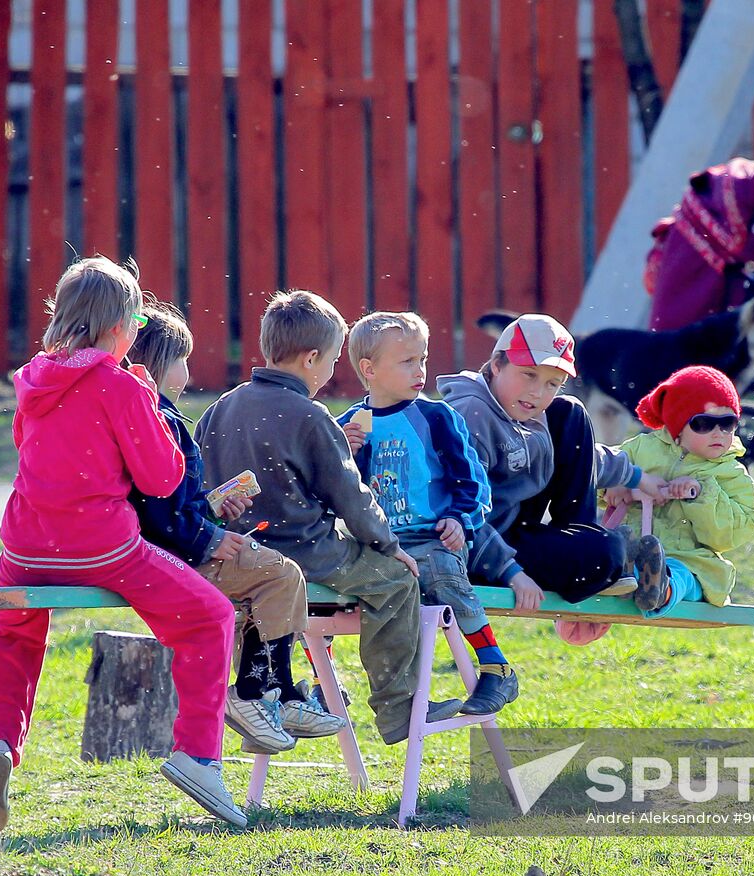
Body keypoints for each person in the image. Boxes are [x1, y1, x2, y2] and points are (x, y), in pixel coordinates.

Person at [0, 257, 247, 832]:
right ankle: (198, 755)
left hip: (25, 545)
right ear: (123, 327)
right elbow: (161, 480)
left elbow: (31, 448)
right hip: (101, 548)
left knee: (12, 633)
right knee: (209, 618)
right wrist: (146, 403)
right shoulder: (122, 386)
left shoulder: (32, 379)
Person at [195, 290, 463, 747]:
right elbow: (350, 497)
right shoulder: (310, 414)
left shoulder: (222, 406)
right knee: (397, 584)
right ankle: (398, 708)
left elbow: (201, 476)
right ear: (312, 358)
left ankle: (269, 702)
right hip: (306, 549)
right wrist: (389, 545)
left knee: (258, 606)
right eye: (333, 360)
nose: (331, 372)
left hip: (240, 552)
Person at [127, 303, 345, 755]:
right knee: (281, 574)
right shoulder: (159, 421)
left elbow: (170, 505)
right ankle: (260, 693)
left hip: (175, 546)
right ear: (162, 366)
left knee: (267, 578)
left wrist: (213, 509)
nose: (189, 370)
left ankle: (271, 692)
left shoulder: (155, 417)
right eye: (184, 360)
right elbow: (159, 514)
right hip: (176, 555)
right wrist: (209, 536)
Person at [338, 311, 515, 715]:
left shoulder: (436, 417)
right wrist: (344, 455)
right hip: (378, 543)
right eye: (406, 361)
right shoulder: (349, 425)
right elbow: (336, 493)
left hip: (434, 536)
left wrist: (461, 520)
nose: (420, 369)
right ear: (369, 369)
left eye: (422, 358)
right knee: (326, 580)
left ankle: (495, 666)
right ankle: (325, 681)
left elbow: (473, 483)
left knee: (439, 573)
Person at [438, 314, 669, 610]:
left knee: (569, 411)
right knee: (603, 554)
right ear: (497, 364)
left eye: (552, 383)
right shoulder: (471, 416)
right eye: (529, 375)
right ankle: (609, 559)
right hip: (477, 549)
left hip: (516, 527)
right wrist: (511, 573)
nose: (538, 392)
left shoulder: (524, 409)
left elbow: (573, 454)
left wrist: (636, 477)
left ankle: (592, 543)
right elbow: (459, 511)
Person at [580, 367, 754, 643]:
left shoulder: (731, 475)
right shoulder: (641, 450)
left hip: (692, 559)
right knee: (607, 551)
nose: (718, 433)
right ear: (677, 425)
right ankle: (629, 573)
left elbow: (732, 534)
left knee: (684, 575)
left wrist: (702, 495)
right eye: (703, 423)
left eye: (728, 423)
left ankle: (660, 587)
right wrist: (615, 484)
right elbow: (592, 477)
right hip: (634, 546)